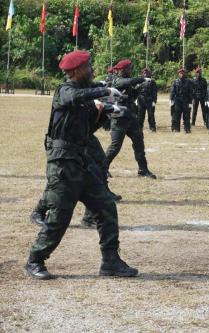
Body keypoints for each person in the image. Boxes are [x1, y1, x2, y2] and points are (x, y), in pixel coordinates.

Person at [24, 50, 138, 280]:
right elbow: (73, 98)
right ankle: (35, 260)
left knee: (106, 207)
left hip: (81, 161)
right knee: (59, 217)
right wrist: (103, 91)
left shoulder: (85, 100)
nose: (92, 69)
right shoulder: (64, 90)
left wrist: (107, 112)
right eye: (88, 66)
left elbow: (87, 131)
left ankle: (111, 262)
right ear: (76, 71)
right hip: (63, 164)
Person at [105, 59, 156, 179]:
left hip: (130, 116)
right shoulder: (116, 80)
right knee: (115, 146)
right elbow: (126, 82)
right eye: (129, 68)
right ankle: (103, 168)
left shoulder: (128, 81)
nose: (130, 70)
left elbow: (132, 95)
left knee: (139, 142)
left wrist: (139, 88)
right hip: (119, 117)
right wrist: (142, 79)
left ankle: (143, 169)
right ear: (122, 69)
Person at [170, 68, 194, 133]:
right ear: (178, 74)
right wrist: (171, 100)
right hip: (177, 101)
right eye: (180, 73)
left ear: (185, 74)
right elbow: (172, 91)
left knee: (187, 116)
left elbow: (191, 92)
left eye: (183, 73)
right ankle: (177, 129)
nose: (182, 75)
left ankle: (187, 129)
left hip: (186, 101)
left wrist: (190, 102)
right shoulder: (175, 82)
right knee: (177, 116)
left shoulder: (189, 82)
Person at [137, 68, 158, 132]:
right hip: (141, 100)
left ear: (149, 74)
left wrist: (154, 101)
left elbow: (154, 92)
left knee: (151, 115)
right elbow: (137, 91)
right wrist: (136, 99)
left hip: (149, 100)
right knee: (140, 116)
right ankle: (139, 128)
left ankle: (152, 128)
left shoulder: (152, 81)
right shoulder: (140, 81)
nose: (145, 74)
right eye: (144, 73)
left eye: (147, 73)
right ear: (142, 74)